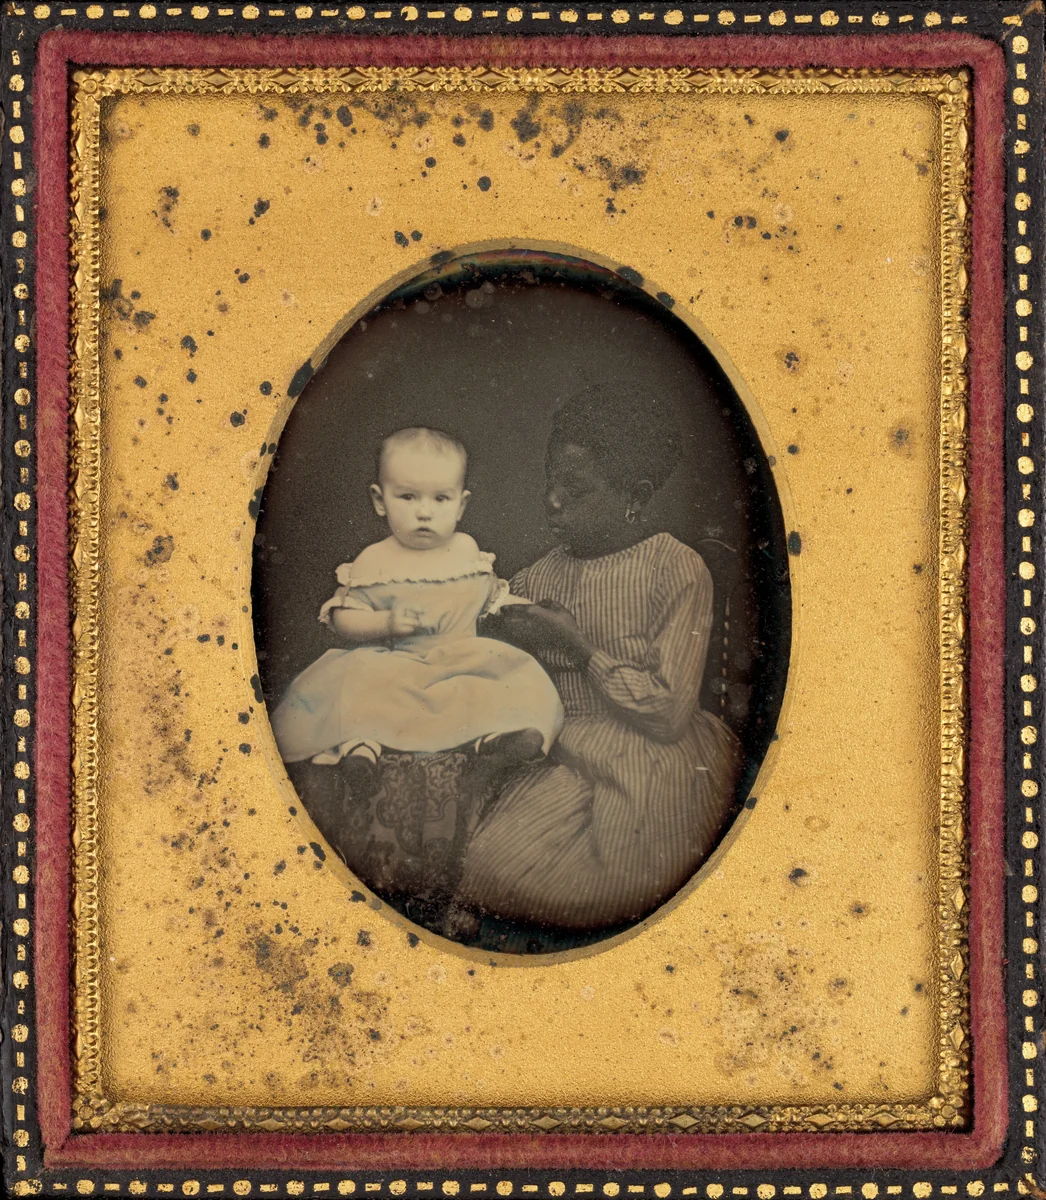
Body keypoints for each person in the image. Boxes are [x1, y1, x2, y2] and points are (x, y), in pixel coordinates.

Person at [457, 385, 740, 932]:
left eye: (577, 490)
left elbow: (668, 712)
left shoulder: (675, 568)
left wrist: (577, 647)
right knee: (494, 870)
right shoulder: (535, 579)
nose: (554, 502)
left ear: (634, 494)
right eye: (550, 483)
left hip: (659, 757)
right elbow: (514, 685)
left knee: (630, 885)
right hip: (567, 752)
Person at [269, 427, 564, 791]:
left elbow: (492, 598)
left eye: (441, 499)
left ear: (461, 505)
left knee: (508, 679)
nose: (424, 512)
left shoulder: (466, 552)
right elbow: (344, 615)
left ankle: (495, 741)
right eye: (407, 497)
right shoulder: (374, 560)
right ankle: (361, 747)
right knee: (358, 680)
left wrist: (530, 610)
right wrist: (385, 622)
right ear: (380, 501)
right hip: (397, 665)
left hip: (461, 662)